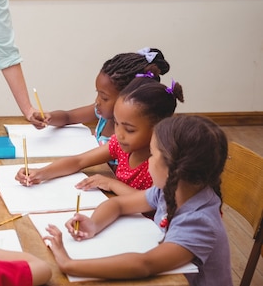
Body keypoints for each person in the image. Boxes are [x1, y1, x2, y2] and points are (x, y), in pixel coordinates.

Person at [44, 115, 231, 285]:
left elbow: (144, 264)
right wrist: (93, 224)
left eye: (153, 154)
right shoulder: (169, 190)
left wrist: (69, 264)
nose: (148, 161)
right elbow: (118, 204)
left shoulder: (199, 221)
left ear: (174, 169)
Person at [16, 75, 184, 196]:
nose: (119, 134)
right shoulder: (120, 145)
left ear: (160, 128)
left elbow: (149, 203)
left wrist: (112, 183)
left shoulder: (161, 164)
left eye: (130, 130)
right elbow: (78, 161)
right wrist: (41, 173)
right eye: (117, 124)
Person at [34, 47, 170, 147]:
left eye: (104, 98)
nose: (97, 101)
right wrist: (49, 117)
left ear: (128, 99)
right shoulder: (103, 115)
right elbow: (68, 116)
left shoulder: (133, 135)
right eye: (97, 93)